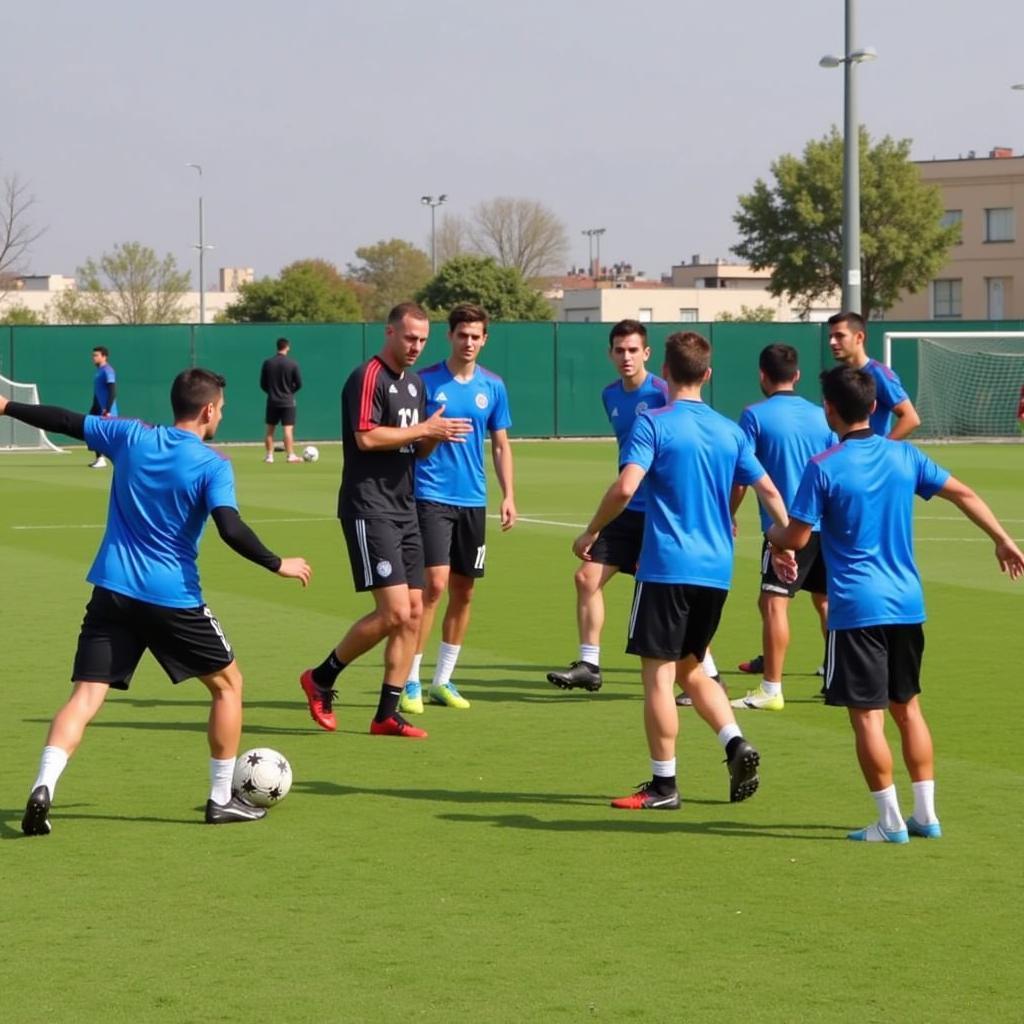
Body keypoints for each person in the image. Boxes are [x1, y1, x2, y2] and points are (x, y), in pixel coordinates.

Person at [1, 369, 312, 835]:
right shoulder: (212, 464)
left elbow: (65, 420)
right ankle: (219, 798)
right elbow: (230, 528)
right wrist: (276, 562)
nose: (221, 414)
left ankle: (44, 785)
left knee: (86, 696)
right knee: (229, 685)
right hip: (172, 599)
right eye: (222, 408)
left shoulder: (130, 435)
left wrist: (5, 406)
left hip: (112, 591)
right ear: (209, 409)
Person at [767, 366, 1024, 842]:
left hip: (857, 607)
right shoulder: (905, 455)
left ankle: (889, 823)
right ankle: (926, 815)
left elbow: (798, 536)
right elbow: (963, 492)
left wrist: (774, 536)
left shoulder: (824, 465)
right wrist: (1003, 539)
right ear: (872, 406)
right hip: (907, 603)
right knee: (908, 708)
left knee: (867, 717)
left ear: (830, 410)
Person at [573, 331, 791, 809]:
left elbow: (626, 488)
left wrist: (591, 532)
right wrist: (786, 543)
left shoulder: (653, 422)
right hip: (716, 572)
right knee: (693, 668)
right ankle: (735, 742)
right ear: (707, 375)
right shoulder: (730, 430)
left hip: (667, 567)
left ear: (665, 372)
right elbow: (771, 492)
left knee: (658, 676)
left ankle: (663, 785)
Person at [299, 302, 471, 740]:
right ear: (390, 332)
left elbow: (417, 448)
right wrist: (422, 432)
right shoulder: (368, 376)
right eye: (409, 337)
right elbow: (367, 436)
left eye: (422, 340)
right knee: (394, 611)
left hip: (405, 508)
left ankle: (386, 715)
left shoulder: (414, 385)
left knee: (413, 613)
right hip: (368, 507)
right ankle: (320, 677)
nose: (416, 347)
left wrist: (437, 434)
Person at [546, 321, 725, 696]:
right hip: (628, 509)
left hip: (662, 512)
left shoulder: (665, 393)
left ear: (647, 354)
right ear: (610, 354)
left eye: (633, 350)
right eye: (619, 350)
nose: (625, 357)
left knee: (672, 595)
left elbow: (694, 435)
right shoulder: (610, 395)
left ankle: (708, 675)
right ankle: (589, 664)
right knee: (586, 579)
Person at [399, 304, 516, 714]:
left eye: (476, 336)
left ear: (485, 339)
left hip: (474, 500)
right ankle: (409, 681)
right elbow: (414, 443)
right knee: (432, 587)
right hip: (431, 496)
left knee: (464, 592)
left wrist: (508, 495)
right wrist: (433, 432)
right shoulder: (424, 382)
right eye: (462, 335)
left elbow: (500, 444)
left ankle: (442, 680)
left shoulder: (493, 386)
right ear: (450, 336)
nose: (468, 342)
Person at [729, 344, 835, 710]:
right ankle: (835, 675)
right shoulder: (823, 416)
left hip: (786, 528)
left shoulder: (754, 415)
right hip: (826, 525)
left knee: (775, 604)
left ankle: (771, 688)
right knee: (824, 601)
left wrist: (729, 513)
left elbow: (742, 475)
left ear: (762, 375)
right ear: (798, 375)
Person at [828, 311, 921, 439]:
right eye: (830, 337)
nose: (832, 342)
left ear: (859, 337)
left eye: (839, 336)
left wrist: (882, 449)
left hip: (868, 456)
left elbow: (911, 418)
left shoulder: (879, 373)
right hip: (847, 454)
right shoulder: (839, 375)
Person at [260, 336, 303, 463]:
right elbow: (299, 383)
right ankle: (290, 455)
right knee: (288, 430)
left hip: (272, 401)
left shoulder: (268, 363)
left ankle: (269, 456)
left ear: (277, 347)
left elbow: (263, 384)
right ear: (287, 347)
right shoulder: (292, 363)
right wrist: (289, 392)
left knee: (269, 430)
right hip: (288, 402)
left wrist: (272, 392)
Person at [88, 345, 117, 468]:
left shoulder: (108, 371)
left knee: (109, 436)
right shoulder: (98, 371)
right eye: (93, 355)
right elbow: (97, 391)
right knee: (93, 432)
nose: (93, 358)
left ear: (104, 357)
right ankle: (99, 458)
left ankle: (107, 459)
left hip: (107, 410)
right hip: (98, 408)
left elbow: (112, 390)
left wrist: (108, 409)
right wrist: (94, 408)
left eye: (96, 355)